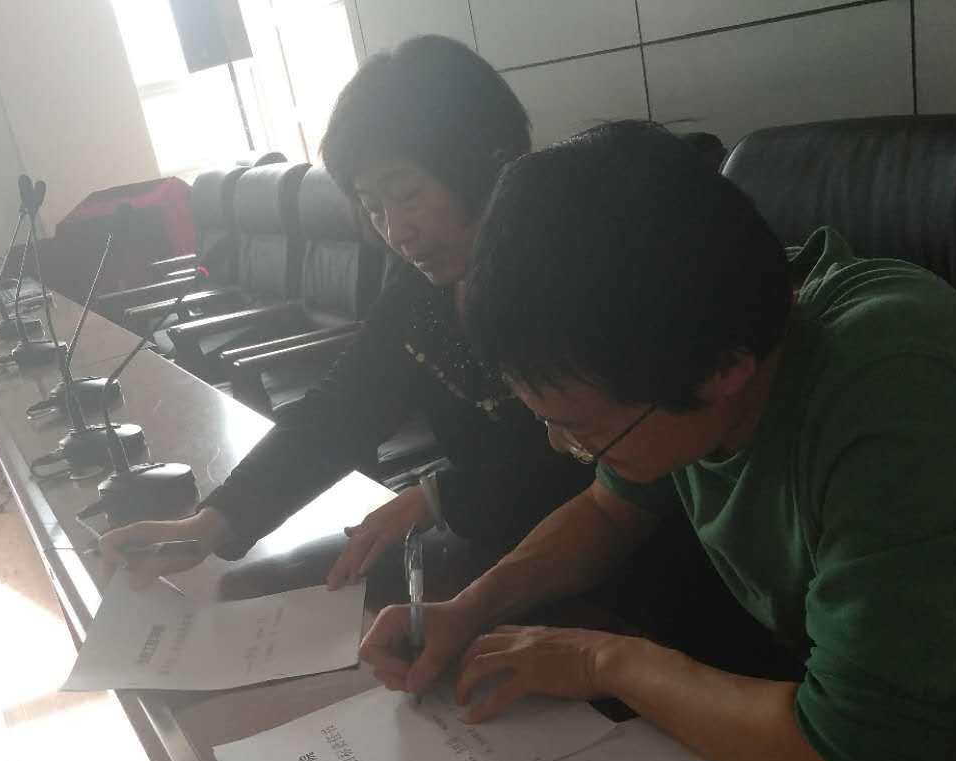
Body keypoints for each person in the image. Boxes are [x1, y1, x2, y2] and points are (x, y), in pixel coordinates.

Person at [362, 120, 956, 761]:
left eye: (586, 431)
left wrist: (602, 662)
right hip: (906, 759)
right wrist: (470, 607)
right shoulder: (700, 328)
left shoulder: (893, 389)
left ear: (724, 370)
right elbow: (609, 510)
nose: (566, 449)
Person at [98, 36, 589, 588]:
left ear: (482, 164)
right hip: (495, 557)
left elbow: (609, 467)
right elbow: (339, 413)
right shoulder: (422, 292)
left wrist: (437, 497)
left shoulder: (570, 273)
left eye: (408, 195)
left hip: (594, 570)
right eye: (373, 207)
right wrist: (209, 524)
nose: (396, 232)